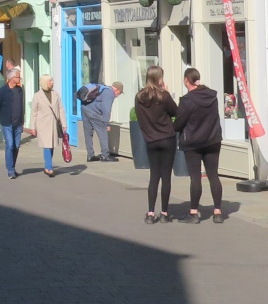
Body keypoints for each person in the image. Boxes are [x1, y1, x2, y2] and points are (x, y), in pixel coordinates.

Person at [174, 68, 225, 224]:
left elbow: (179, 123)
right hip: (212, 140)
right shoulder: (212, 96)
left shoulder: (187, 100)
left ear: (186, 80)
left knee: (195, 177)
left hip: (193, 143)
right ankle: (218, 212)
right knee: (213, 175)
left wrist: (174, 127)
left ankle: (194, 212)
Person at [134, 66, 179, 224]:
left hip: (151, 140)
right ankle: (165, 213)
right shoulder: (163, 96)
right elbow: (176, 112)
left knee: (154, 176)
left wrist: (148, 133)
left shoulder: (139, 97)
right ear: (158, 79)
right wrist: (165, 92)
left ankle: (151, 213)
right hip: (167, 138)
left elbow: (140, 118)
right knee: (166, 176)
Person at [27, 74, 67, 177]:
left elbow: (61, 109)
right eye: (49, 81)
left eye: (52, 81)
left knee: (52, 145)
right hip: (43, 125)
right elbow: (34, 112)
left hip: (54, 124)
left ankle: (47, 166)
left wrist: (64, 124)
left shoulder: (56, 94)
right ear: (44, 82)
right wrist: (33, 127)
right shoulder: (37, 95)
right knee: (47, 146)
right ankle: (49, 167)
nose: (52, 83)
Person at [80, 81, 124, 162]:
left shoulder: (102, 88)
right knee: (103, 132)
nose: (118, 95)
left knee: (88, 133)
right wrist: (106, 123)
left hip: (84, 108)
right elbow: (106, 109)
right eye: (120, 93)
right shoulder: (109, 93)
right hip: (94, 113)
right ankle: (105, 155)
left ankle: (90, 156)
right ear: (117, 90)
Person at [0, 68, 25, 179]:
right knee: (10, 145)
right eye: (18, 76)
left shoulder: (20, 90)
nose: (19, 78)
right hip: (7, 123)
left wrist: (22, 121)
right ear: (11, 78)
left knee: (16, 146)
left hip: (18, 123)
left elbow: (22, 106)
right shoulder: (2, 91)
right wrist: (3, 118)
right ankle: (10, 170)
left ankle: (12, 166)